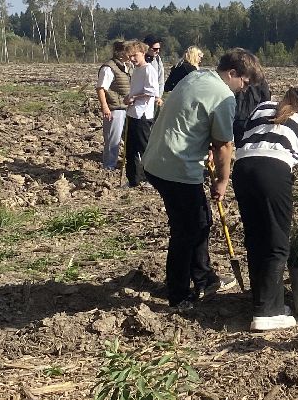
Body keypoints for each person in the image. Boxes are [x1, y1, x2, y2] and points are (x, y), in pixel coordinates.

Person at [143, 49, 256, 311]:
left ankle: (205, 278)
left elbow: (194, 118)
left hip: (157, 160)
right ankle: (178, 294)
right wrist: (222, 181)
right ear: (232, 73)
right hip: (176, 168)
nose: (244, 88)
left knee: (201, 220)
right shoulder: (224, 96)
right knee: (187, 230)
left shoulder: (197, 76)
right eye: (244, 81)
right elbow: (224, 145)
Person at [233, 87, 298, 332]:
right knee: (277, 243)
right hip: (272, 171)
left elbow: (244, 137)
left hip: (242, 169)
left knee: (256, 238)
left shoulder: (261, 108)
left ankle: (262, 304)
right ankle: (268, 314)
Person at [123, 39, 160, 188]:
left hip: (143, 115)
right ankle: (133, 180)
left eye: (135, 55)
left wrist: (134, 97)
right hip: (132, 113)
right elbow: (136, 90)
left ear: (143, 53)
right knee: (130, 149)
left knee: (145, 148)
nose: (132, 59)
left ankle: (151, 179)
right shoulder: (136, 70)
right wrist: (129, 97)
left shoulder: (149, 70)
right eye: (130, 56)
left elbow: (151, 92)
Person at [95, 39, 135, 172]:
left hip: (127, 108)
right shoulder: (108, 68)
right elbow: (101, 88)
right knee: (113, 139)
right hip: (115, 108)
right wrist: (105, 107)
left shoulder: (128, 67)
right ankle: (109, 166)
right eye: (128, 51)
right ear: (121, 52)